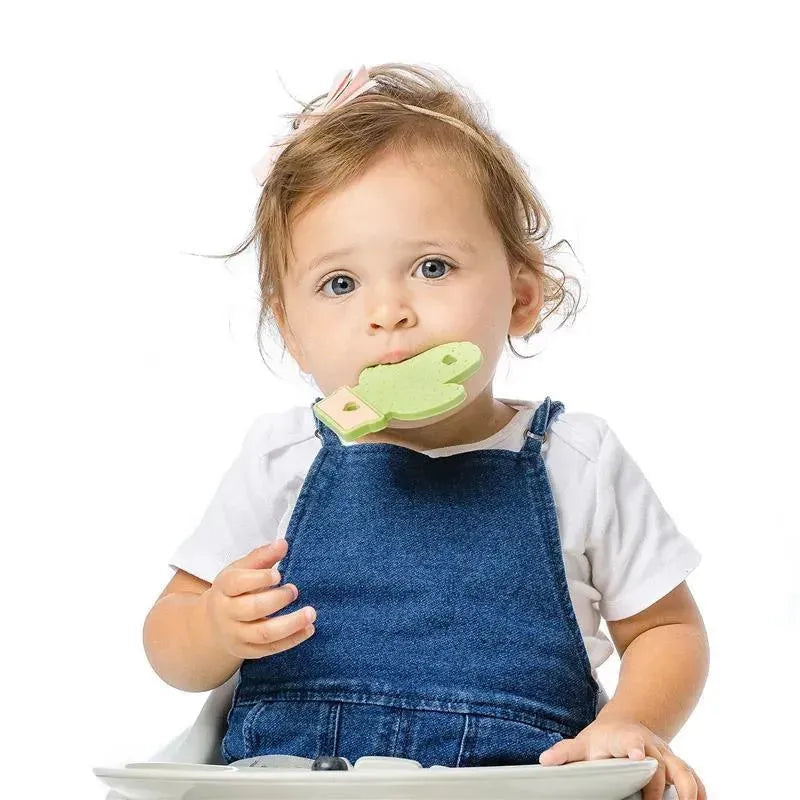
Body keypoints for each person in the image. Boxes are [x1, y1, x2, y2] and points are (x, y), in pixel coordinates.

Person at [143, 63, 708, 800]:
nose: (389, 312)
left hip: (517, 784)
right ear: (291, 330)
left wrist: (630, 723)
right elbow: (169, 636)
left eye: (433, 267)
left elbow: (667, 630)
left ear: (522, 296)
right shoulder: (281, 458)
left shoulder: (577, 461)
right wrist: (214, 630)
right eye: (340, 284)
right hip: (293, 783)